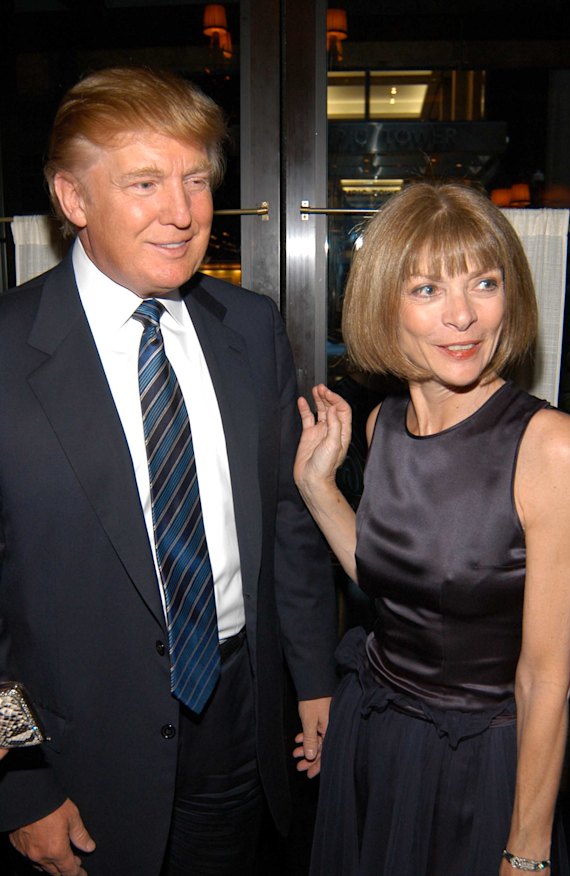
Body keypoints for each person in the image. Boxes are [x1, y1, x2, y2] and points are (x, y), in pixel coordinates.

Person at [0, 66, 337, 876]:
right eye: (145, 183)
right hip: (74, 744)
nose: (182, 213)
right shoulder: (7, 350)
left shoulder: (250, 328)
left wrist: (314, 679)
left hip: (240, 713)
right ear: (73, 199)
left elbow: (286, 522)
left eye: (195, 180)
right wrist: (19, 781)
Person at [293, 181, 570, 875]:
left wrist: (527, 851)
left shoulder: (553, 448)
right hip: (377, 735)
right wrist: (317, 487)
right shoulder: (382, 424)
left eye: (485, 283)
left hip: (477, 764)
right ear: (383, 305)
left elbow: (546, 679)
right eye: (427, 289)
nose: (463, 316)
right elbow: (394, 580)